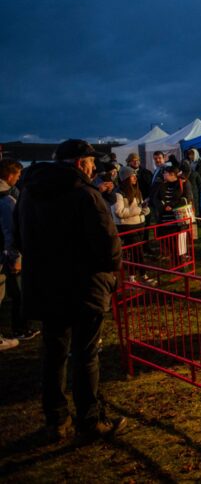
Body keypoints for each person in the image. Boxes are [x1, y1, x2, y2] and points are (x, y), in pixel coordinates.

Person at [15, 139, 126, 441]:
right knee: (85, 355)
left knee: (53, 354)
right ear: (80, 163)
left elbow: (18, 237)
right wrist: (109, 274)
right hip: (83, 287)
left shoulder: (28, 194)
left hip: (46, 286)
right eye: (91, 162)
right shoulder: (85, 195)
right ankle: (89, 421)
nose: (94, 167)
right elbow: (109, 247)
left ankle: (56, 420)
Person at [1, 159, 39, 347]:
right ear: (9, 175)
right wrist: (16, 256)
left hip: (6, 252)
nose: (18, 178)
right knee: (18, 293)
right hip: (8, 254)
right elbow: (11, 230)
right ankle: (20, 328)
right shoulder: (7, 200)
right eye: (17, 175)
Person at [112, 166, 152, 279]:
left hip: (139, 224)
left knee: (138, 252)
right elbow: (119, 212)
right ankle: (135, 276)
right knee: (135, 252)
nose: (135, 178)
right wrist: (139, 210)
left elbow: (141, 205)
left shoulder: (137, 191)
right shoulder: (118, 193)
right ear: (125, 178)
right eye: (132, 176)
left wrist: (145, 209)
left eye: (135, 176)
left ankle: (140, 274)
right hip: (128, 226)